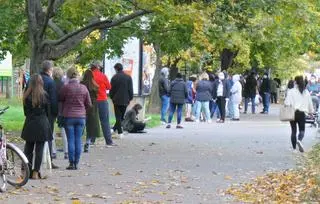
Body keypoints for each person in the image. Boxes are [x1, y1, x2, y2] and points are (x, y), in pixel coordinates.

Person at [60, 67, 92, 170]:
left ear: (68, 76)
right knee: (78, 139)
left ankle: (71, 163)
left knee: (70, 140)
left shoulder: (66, 87)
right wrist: (83, 110)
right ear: (77, 75)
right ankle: (77, 162)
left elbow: (60, 99)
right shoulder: (83, 88)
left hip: (68, 116)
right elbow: (89, 104)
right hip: (81, 117)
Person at [21, 74, 51, 179]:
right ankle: (35, 172)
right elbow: (48, 112)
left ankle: (26, 170)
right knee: (40, 149)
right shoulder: (45, 95)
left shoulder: (26, 96)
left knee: (28, 148)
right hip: (42, 123)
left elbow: (25, 112)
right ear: (41, 82)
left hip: (30, 123)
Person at [284, 76, 313, 153]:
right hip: (301, 113)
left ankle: (294, 149)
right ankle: (299, 140)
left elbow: (287, 103)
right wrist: (311, 113)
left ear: (295, 82)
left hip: (292, 112)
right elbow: (310, 103)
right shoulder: (306, 92)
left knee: (293, 131)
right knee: (302, 130)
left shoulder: (291, 91)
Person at [90, 61, 115, 147]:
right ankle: (108, 141)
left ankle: (91, 141)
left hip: (92, 101)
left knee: (93, 121)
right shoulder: (103, 76)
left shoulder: (89, 76)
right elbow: (109, 87)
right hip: (102, 100)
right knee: (105, 121)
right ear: (99, 67)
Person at [40, 60, 59, 169]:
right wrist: (55, 113)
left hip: (35, 113)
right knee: (48, 137)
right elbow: (53, 100)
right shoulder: (50, 82)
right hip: (48, 113)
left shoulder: (34, 79)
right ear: (50, 70)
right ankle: (48, 161)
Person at [109, 63, 134, 138]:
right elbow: (130, 89)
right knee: (121, 117)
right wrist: (130, 98)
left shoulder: (114, 77)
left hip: (116, 100)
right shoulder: (128, 77)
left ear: (116, 69)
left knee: (118, 117)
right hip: (126, 100)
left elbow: (111, 90)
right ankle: (117, 131)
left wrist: (112, 98)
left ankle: (118, 132)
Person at [81, 69, 100, 153]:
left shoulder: (81, 84)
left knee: (82, 125)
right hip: (92, 107)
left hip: (83, 106)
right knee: (90, 125)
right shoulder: (95, 85)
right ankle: (88, 142)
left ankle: (79, 142)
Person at [52, 67, 68, 159]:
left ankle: (53, 152)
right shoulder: (64, 85)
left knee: (52, 131)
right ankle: (66, 151)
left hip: (53, 109)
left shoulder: (51, 84)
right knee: (64, 131)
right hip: (62, 110)